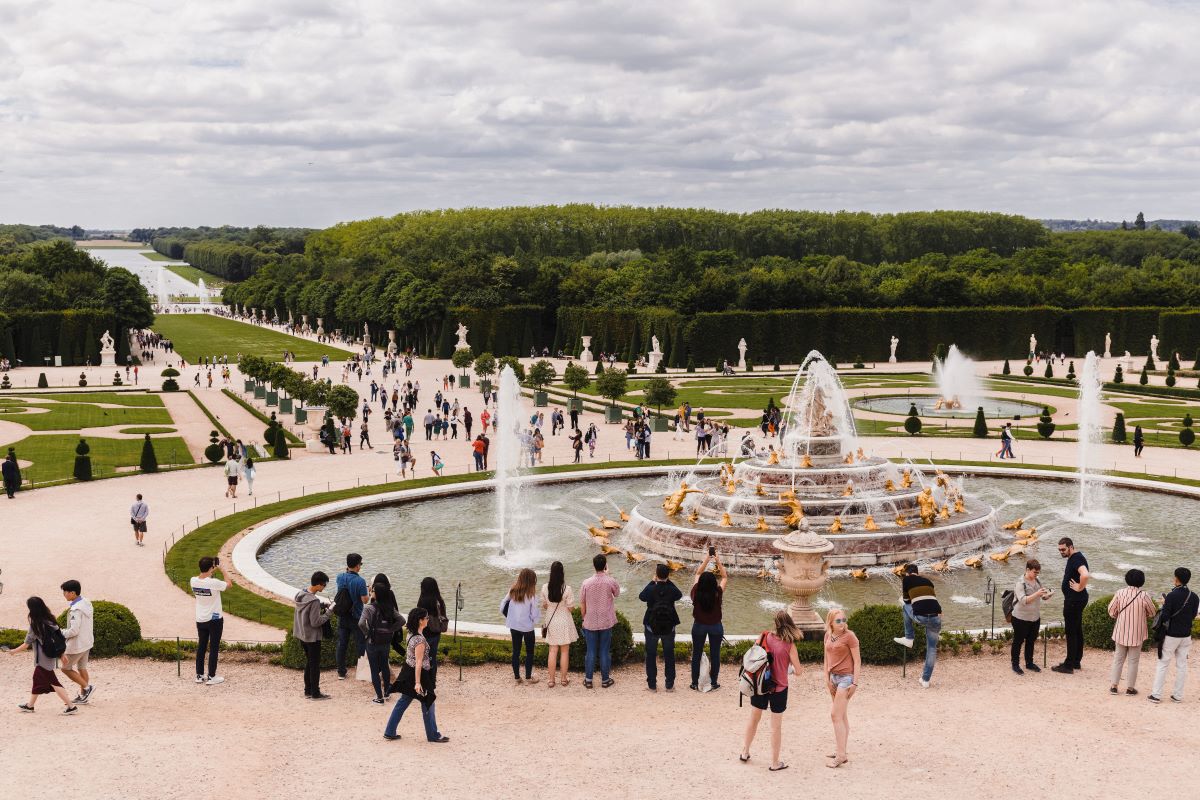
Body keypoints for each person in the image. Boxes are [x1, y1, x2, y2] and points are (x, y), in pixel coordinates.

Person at [739, 611, 804, 771]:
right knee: (776, 727)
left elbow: (752, 658)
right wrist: (787, 669)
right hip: (779, 688)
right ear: (789, 624)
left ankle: (745, 752)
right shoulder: (790, 645)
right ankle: (774, 763)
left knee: (754, 719)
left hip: (760, 685)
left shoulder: (764, 637)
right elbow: (799, 671)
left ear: (775, 623)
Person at [383, 608, 449, 742]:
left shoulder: (411, 633)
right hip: (419, 675)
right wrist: (418, 683)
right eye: (426, 618)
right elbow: (419, 663)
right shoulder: (419, 640)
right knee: (428, 702)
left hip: (408, 672)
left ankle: (390, 731)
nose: (428, 620)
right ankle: (433, 735)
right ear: (420, 621)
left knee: (403, 702)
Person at [7, 597, 79, 714]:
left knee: (54, 682)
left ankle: (71, 707)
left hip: (42, 659)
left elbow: (26, 644)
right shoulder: (50, 620)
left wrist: (13, 651)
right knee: (37, 680)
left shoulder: (36, 625)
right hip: (51, 656)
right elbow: (58, 639)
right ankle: (30, 706)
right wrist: (61, 654)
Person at [1149, 567, 1199, 703]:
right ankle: (1177, 695)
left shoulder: (1171, 596)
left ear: (1176, 579)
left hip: (1171, 635)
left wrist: (1165, 606)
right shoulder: (1194, 596)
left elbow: (1165, 617)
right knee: (1182, 665)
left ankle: (1156, 695)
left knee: (1163, 663)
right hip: (1186, 635)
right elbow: (1194, 615)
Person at [1107, 569, 1157, 695]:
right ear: (1142, 581)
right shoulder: (1144, 595)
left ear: (1127, 579)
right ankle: (1130, 688)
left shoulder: (1120, 593)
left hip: (1120, 631)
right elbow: (1152, 612)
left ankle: (1114, 686)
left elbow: (1111, 611)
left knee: (1118, 659)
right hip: (1137, 633)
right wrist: (1142, 615)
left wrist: (1119, 615)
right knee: (1133, 661)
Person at [893, 563, 943, 687]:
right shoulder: (928, 582)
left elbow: (906, 600)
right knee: (931, 649)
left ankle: (909, 638)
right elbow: (930, 600)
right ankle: (925, 681)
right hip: (936, 617)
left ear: (907, 573)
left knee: (904, 606)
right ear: (917, 572)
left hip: (921, 616)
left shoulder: (907, 579)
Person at [823, 607, 861, 768]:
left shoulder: (850, 636)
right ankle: (841, 750)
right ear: (831, 622)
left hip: (846, 679)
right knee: (842, 715)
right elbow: (826, 658)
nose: (842, 623)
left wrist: (855, 683)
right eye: (838, 621)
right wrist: (827, 679)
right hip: (833, 678)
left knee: (835, 715)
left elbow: (858, 661)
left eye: (844, 620)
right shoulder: (828, 635)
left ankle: (841, 755)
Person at [579, 553, 621, 688]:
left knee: (590, 651)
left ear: (593, 565)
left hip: (590, 620)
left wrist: (583, 618)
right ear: (605, 566)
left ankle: (589, 680)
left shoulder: (586, 583)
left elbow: (582, 603)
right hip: (606, 620)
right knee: (604, 651)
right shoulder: (610, 581)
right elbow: (617, 593)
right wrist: (608, 574)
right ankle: (605, 680)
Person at [639, 562, 682, 692]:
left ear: (656, 575)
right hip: (669, 627)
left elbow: (642, 597)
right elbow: (679, 595)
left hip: (651, 627)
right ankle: (669, 685)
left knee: (651, 655)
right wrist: (668, 581)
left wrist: (652, 582)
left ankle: (652, 685)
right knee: (669, 655)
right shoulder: (671, 589)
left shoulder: (651, 589)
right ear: (668, 575)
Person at [359, 583, 405, 704]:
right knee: (384, 666)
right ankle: (387, 693)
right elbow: (402, 620)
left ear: (376, 593)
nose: (371, 591)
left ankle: (379, 697)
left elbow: (361, 623)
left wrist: (367, 634)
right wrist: (390, 629)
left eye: (373, 590)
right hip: (385, 642)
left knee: (374, 669)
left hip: (372, 642)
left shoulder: (368, 608)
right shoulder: (389, 608)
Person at [293, 571, 335, 699]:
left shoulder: (301, 594)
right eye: (324, 585)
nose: (324, 587)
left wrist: (321, 606)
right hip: (312, 637)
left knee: (309, 663)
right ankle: (315, 693)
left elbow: (307, 611)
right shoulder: (314, 601)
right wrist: (329, 612)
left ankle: (308, 690)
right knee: (315, 665)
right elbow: (316, 622)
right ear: (318, 585)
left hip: (302, 635)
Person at [690, 549, 727, 690]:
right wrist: (717, 560)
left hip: (699, 626)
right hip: (715, 626)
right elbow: (724, 577)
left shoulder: (696, 591)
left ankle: (694, 682)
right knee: (715, 655)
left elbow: (698, 573)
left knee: (697, 654)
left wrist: (707, 559)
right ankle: (713, 682)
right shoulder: (718, 592)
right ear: (713, 583)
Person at [1052, 537, 1089, 674]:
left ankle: (1068, 665)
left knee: (1071, 632)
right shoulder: (1076, 557)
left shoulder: (1076, 559)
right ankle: (1076, 661)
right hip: (1078, 599)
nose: (1061, 552)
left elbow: (1085, 574)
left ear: (1071, 547)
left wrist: (1079, 587)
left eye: (1063, 549)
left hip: (1074, 600)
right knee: (1077, 630)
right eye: (1059, 550)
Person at [190, 556, 227, 685]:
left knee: (201, 647)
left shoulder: (193, 581)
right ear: (211, 567)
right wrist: (222, 571)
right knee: (214, 648)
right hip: (215, 619)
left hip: (200, 619)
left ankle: (199, 675)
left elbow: (205, 580)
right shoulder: (214, 582)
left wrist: (211, 571)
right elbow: (229, 584)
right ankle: (211, 676)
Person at [540, 561, 577, 687]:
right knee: (565, 651)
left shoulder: (545, 587)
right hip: (564, 620)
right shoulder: (567, 589)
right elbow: (571, 608)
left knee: (552, 650)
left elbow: (544, 605)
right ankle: (563, 679)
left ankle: (551, 680)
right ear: (562, 573)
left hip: (551, 620)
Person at [1010, 559, 1049, 675]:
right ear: (1027, 570)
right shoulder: (1020, 583)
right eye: (1035, 572)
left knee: (1031, 641)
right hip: (1020, 618)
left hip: (1035, 617)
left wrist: (1047, 595)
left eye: (1038, 573)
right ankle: (1015, 664)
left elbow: (1042, 596)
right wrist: (1037, 594)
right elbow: (1023, 600)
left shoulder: (1037, 580)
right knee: (1018, 641)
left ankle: (1029, 663)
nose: (1036, 575)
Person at [59, 580, 95, 704]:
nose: (64, 594)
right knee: (82, 668)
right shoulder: (86, 603)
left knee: (65, 668)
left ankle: (87, 688)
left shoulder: (76, 609)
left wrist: (59, 632)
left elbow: (73, 631)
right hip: (87, 641)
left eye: (65, 592)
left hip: (78, 644)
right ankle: (83, 696)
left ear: (73, 593)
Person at [334, 553, 370, 680]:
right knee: (361, 643)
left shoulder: (340, 577)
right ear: (357, 566)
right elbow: (365, 601)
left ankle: (341, 672)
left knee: (342, 643)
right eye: (360, 564)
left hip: (342, 615)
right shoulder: (360, 581)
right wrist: (369, 592)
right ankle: (360, 670)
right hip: (356, 616)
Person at [502, 568, 540, 682]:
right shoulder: (531, 595)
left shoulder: (512, 590)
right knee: (529, 652)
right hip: (527, 627)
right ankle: (528, 677)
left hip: (514, 626)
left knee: (516, 651)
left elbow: (503, 604)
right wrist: (534, 621)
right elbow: (534, 614)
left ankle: (517, 677)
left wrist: (509, 617)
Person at [417, 577, 448, 675]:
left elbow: (419, 617)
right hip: (436, 633)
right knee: (432, 658)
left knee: (422, 658)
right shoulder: (439, 600)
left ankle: (424, 682)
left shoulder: (423, 601)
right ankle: (432, 681)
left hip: (425, 633)